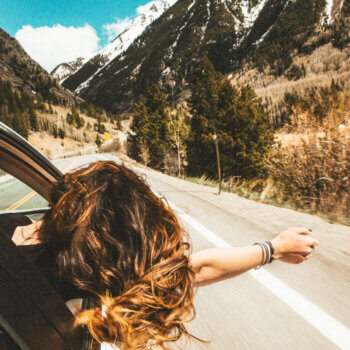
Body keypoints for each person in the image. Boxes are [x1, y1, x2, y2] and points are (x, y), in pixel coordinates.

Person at [0, 161, 319, 349]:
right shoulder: (83, 281)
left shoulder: (11, 226)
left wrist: (273, 249)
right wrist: (273, 249)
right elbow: (196, 269)